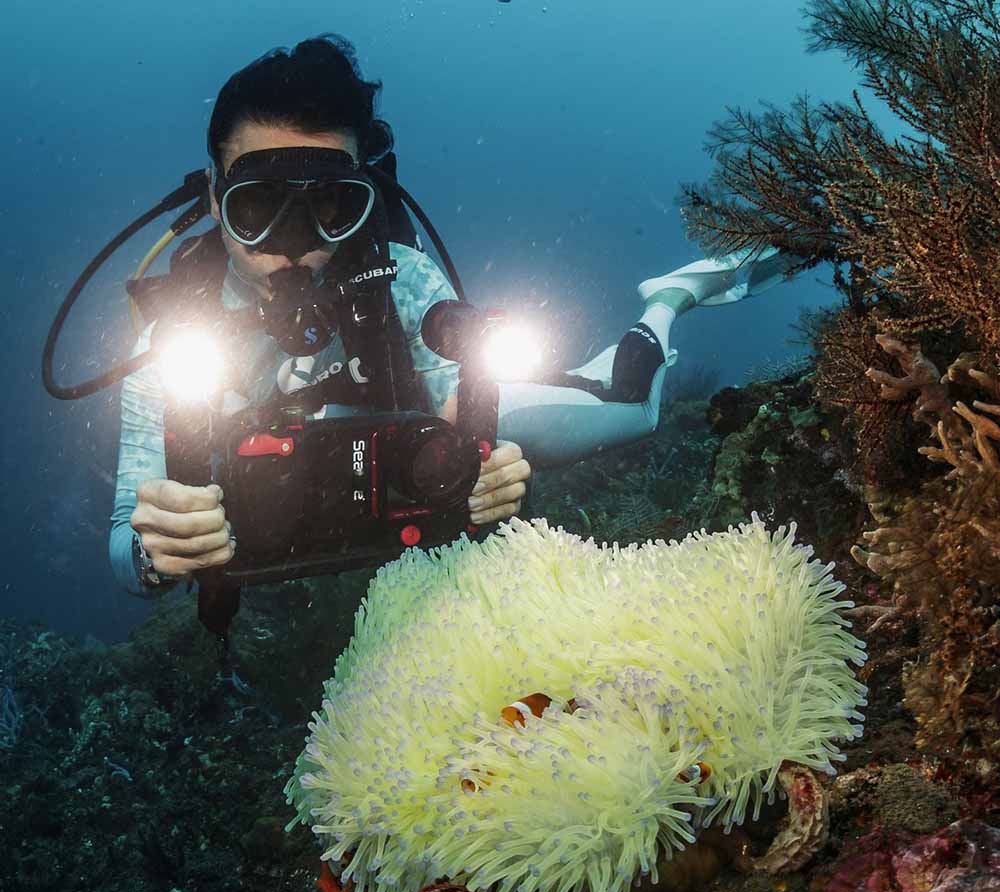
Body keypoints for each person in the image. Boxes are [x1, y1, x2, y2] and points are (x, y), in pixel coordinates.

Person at [110, 34, 795, 597]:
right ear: (214, 195)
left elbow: (459, 409)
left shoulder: (401, 280)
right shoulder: (171, 342)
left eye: (329, 204)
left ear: (363, 196)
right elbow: (126, 531)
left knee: (633, 408)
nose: (292, 243)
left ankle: (668, 299)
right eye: (259, 205)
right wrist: (152, 551)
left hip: (407, 430)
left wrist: (485, 469)